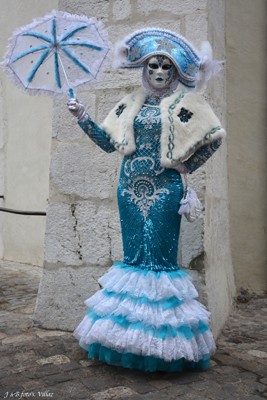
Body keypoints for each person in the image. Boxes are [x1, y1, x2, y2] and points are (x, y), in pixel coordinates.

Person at [68, 28, 226, 372]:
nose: (158, 72)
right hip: (129, 189)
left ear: (176, 72)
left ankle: (162, 349)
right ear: (143, 68)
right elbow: (109, 143)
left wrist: (188, 164)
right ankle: (129, 344)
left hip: (165, 191)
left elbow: (215, 138)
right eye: (153, 65)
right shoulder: (129, 104)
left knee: (159, 261)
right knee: (135, 258)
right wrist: (82, 117)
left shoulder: (186, 104)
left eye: (166, 67)